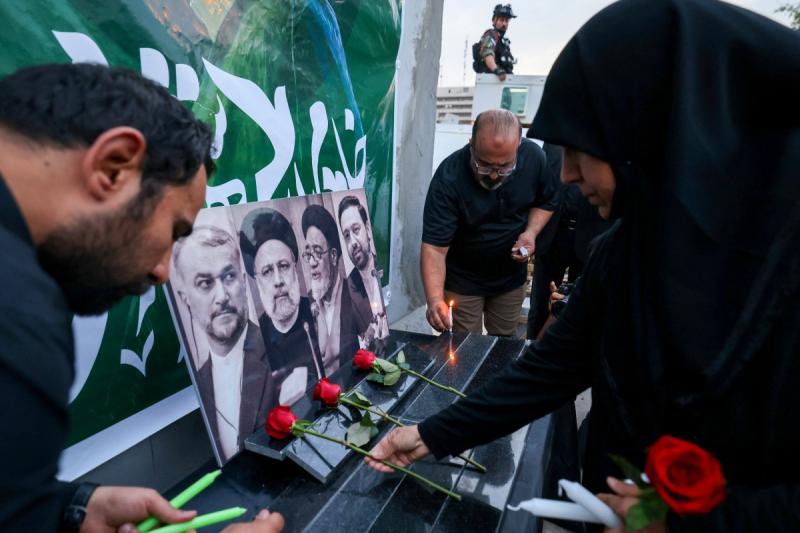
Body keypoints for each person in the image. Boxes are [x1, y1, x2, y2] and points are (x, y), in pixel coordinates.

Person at [366, 0, 800, 530]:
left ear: (642, 131)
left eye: (579, 151)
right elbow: (551, 369)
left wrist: (693, 521)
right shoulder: (625, 252)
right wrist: (429, 435)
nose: (566, 176)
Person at [0, 64, 283, 532]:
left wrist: (72, 508)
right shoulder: (19, 317)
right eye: (173, 231)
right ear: (114, 166)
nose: (161, 271)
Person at [422, 109, 557, 336]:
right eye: (484, 165)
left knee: (505, 343)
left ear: (518, 146)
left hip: (510, 277)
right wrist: (435, 299)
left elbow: (546, 201)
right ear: (471, 143)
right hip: (462, 280)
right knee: (464, 345)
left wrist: (531, 233)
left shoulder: (534, 158)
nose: (494, 175)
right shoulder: (449, 176)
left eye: (504, 167)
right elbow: (435, 248)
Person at [172, 226, 276, 463]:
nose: (221, 296)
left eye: (228, 277)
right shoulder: (200, 381)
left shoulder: (279, 350)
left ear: (243, 281)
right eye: (205, 283)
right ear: (185, 298)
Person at [527, 142, 609, 339]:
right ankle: (531, 346)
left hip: (588, 239)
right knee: (540, 304)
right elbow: (541, 187)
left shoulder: (602, 143)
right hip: (552, 237)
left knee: (578, 306)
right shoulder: (552, 144)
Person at [251, 209, 324, 405]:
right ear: (258, 282)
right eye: (267, 271)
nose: (278, 281)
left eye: (283, 266)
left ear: (295, 268)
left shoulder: (320, 312)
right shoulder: (255, 343)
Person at [300, 204, 361, 375]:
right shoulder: (305, 306)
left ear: (333, 256)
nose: (312, 263)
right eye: (308, 254)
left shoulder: (354, 296)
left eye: (318, 252)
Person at [337, 195, 389, 343]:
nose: (352, 242)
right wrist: (365, 341)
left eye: (356, 230)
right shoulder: (346, 292)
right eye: (347, 235)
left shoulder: (387, 267)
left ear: (367, 229)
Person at [473, 4, 516, 81]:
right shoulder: (491, 35)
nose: (504, 24)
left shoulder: (504, 42)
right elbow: (487, 54)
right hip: (491, 81)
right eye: (501, 20)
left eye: (506, 21)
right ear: (494, 21)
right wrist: (497, 70)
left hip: (504, 82)